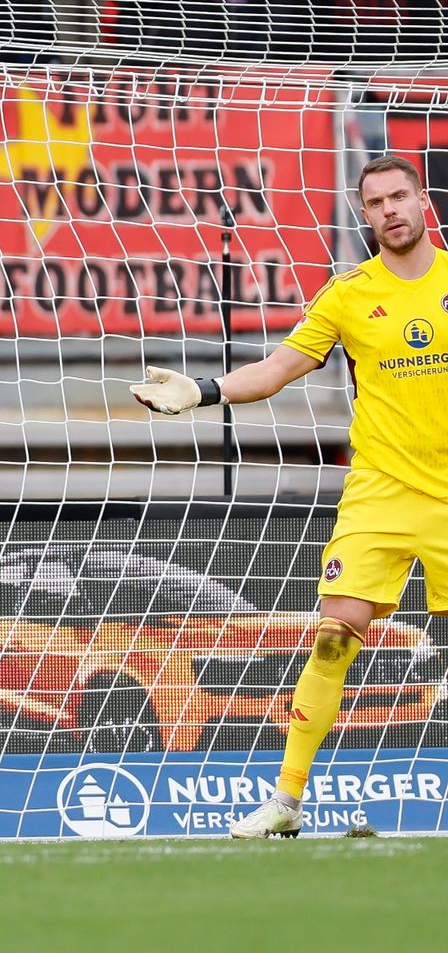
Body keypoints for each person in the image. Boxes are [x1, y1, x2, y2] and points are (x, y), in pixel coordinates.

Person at [132, 156, 448, 839]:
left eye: (401, 196)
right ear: (364, 215)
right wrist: (203, 390)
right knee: (334, 635)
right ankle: (288, 799)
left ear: (425, 202)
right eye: (376, 202)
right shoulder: (348, 292)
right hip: (382, 494)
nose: (391, 209)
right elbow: (279, 368)